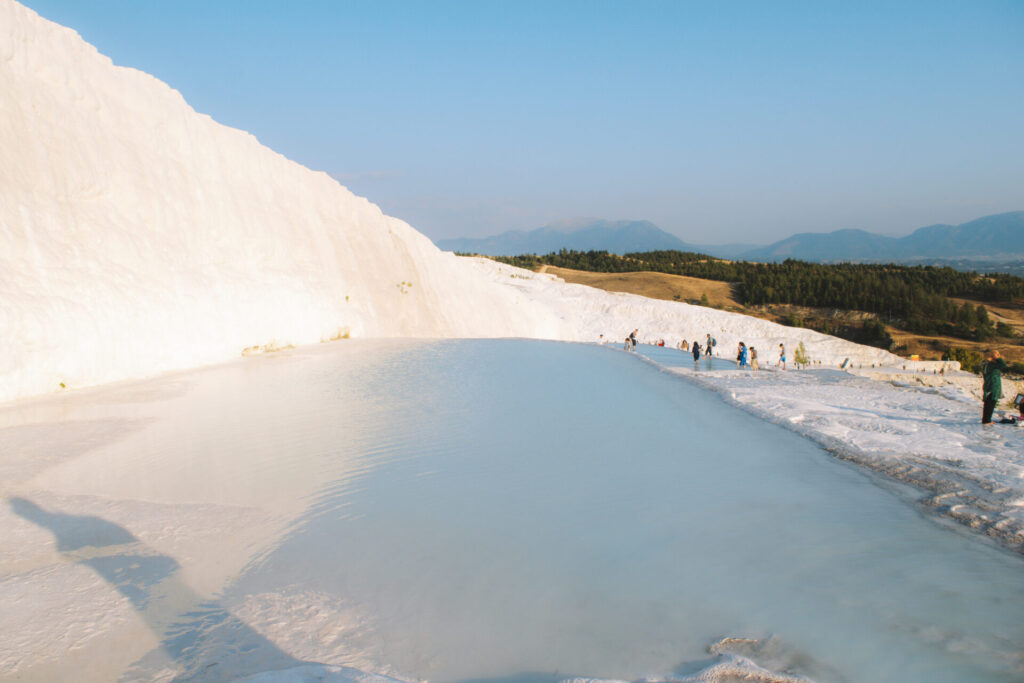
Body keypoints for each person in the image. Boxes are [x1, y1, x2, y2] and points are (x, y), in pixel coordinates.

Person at [981, 349, 1008, 425]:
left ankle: (986, 419)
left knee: (988, 403)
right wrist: (997, 358)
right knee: (991, 402)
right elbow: (1003, 365)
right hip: (993, 385)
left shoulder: (986, 364)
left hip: (988, 384)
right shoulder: (992, 365)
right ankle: (987, 420)